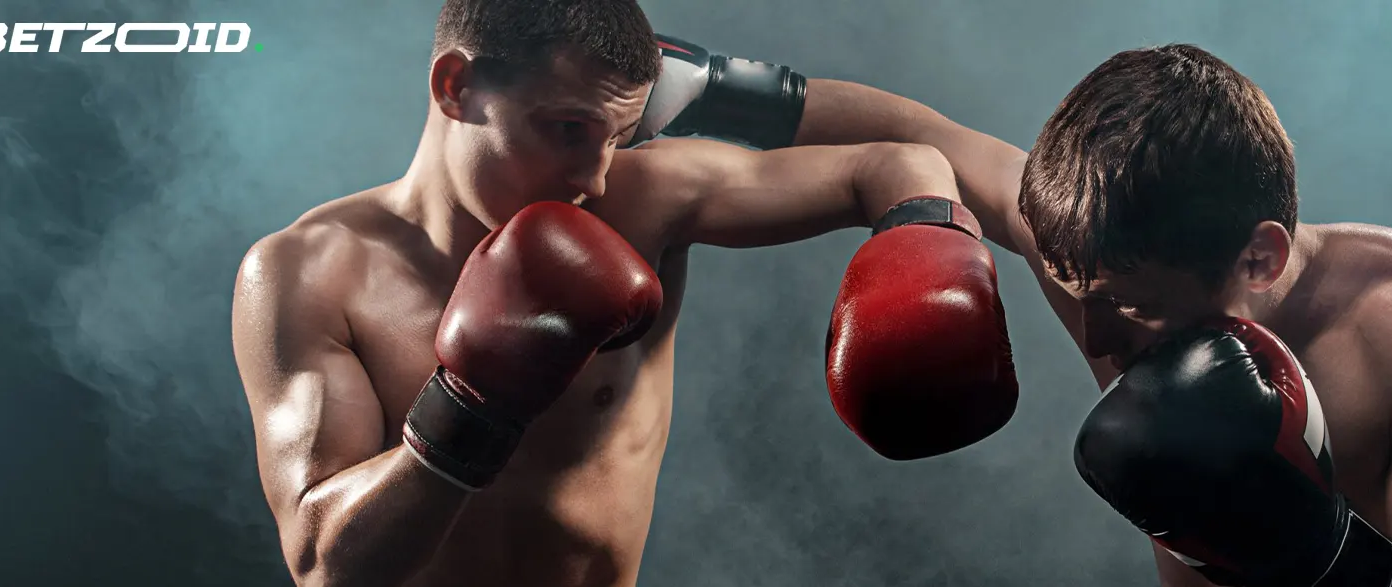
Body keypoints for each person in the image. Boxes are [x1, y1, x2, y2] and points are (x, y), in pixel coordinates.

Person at [227, 1, 1018, 585]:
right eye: (568, 129)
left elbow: (895, 161)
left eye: (616, 136)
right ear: (455, 86)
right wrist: (470, 406)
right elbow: (324, 564)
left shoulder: (645, 201)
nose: (594, 176)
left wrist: (923, 239)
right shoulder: (305, 271)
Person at [691, 41, 1392, 585]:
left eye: (1133, 310)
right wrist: (699, 87)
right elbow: (934, 135)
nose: (1097, 343)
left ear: (1260, 258)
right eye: (1079, 295)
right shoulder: (1102, 259)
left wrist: (1321, 555)